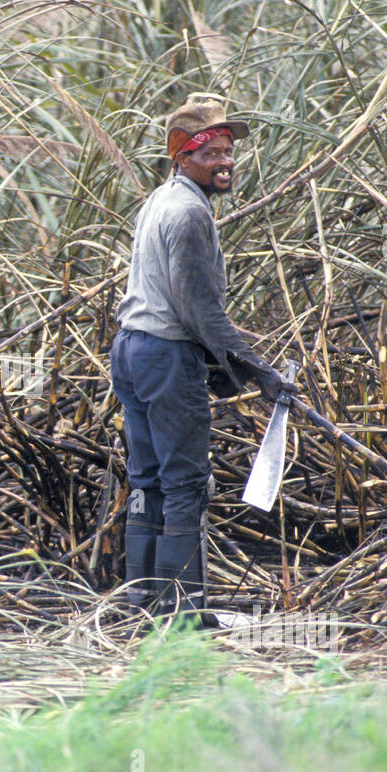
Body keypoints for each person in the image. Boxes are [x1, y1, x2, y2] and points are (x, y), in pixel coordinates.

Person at [110, 94, 297, 622]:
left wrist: (235, 369)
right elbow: (200, 312)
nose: (225, 161)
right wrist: (257, 371)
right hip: (165, 355)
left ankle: (141, 602)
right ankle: (184, 613)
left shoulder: (159, 200)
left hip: (131, 350)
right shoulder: (190, 213)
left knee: (146, 479)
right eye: (212, 152)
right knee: (186, 484)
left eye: (228, 151)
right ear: (183, 157)